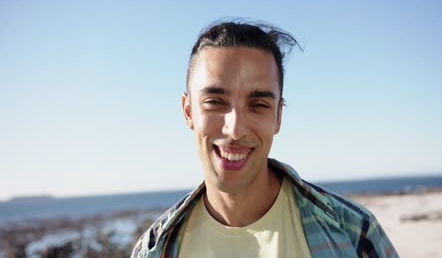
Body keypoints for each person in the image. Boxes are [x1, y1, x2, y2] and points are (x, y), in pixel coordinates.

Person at [132, 20, 398, 258]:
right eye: (215, 102)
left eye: (258, 105)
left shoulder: (355, 233)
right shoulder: (153, 250)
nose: (234, 130)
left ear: (278, 117)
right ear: (188, 111)